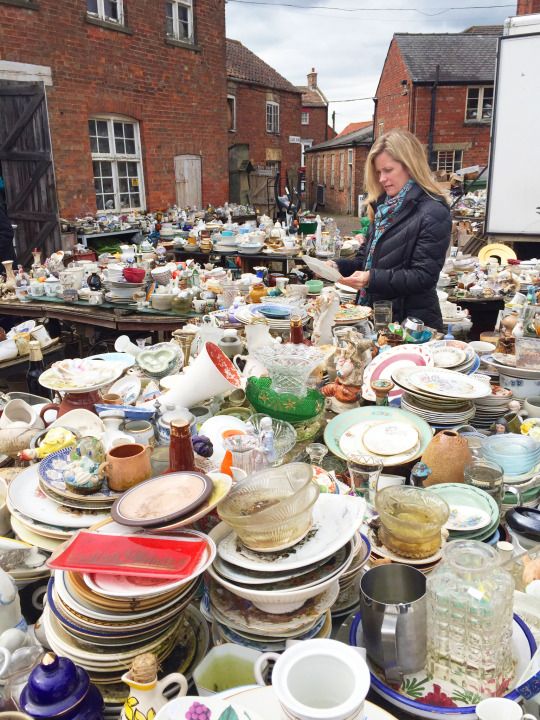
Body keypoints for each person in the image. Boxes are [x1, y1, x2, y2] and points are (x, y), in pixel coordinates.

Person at [334, 129, 451, 331]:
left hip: (412, 326)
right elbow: (365, 261)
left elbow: (423, 276)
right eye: (379, 172)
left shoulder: (433, 211)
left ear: (410, 166)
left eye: (388, 170)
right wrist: (336, 266)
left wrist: (371, 278)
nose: (381, 178)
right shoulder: (383, 207)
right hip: (378, 318)